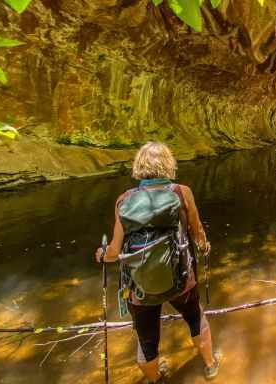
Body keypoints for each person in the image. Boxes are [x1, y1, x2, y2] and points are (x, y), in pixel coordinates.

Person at [95, 142, 220, 382]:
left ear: (139, 166)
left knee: (146, 338)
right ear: (168, 164)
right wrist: (204, 247)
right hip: (181, 280)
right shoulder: (182, 192)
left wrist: (102, 255)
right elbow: (197, 230)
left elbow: (114, 251)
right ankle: (210, 365)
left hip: (140, 288)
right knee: (196, 318)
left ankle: (157, 380)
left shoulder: (124, 200)